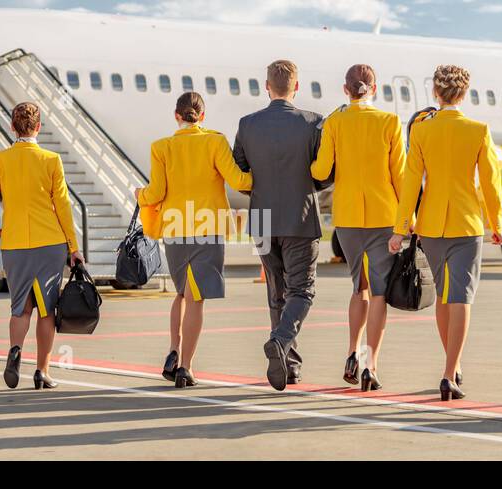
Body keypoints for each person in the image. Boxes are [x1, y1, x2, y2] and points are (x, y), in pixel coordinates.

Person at [389, 65, 502, 401]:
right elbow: (491, 184)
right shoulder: (479, 130)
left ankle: (451, 364)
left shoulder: (422, 131)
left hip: (432, 224)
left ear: (436, 94)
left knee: (443, 295)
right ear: (465, 93)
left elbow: (411, 183)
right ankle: (450, 372)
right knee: (462, 296)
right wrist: (497, 224)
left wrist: (401, 227)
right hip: (466, 225)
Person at [138, 92, 252, 388]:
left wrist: (139, 196)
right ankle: (186, 367)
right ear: (202, 116)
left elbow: (156, 193)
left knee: (180, 295)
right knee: (196, 298)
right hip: (208, 228)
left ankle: (174, 350)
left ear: (176, 116)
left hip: (174, 230)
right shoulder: (214, 141)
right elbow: (239, 181)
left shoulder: (161, 147)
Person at [232, 59, 331, 392]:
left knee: (277, 291)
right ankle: (281, 340)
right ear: (297, 88)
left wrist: (260, 190)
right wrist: (305, 188)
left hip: (261, 219)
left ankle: (289, 364)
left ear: (267, 87)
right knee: (302, 290)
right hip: (299, 217)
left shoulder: (247, 125)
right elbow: (325, 173)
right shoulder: (313, 123)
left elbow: (240, 176)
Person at [310, 64, 405, 392]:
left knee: (359, 287)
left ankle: (352, 350)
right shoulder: (389, 122)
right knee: (379, 292)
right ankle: (370, 364)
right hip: (383, 215)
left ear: (345, 89)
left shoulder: (335, 122)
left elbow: (322, 169)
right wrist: (407, 221)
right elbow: (400, 176)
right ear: (374, 88)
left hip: (348, 218)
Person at [0, 102, 83, 390]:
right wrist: (73, 247)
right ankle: (42, 371)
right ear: (39, 127)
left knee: (21, 308)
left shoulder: (1, 161)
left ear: (12, 127)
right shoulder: (51, 160)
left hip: (15, 244)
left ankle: (14, 350)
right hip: (50, 243)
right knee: (46, 311)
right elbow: (63, 206)